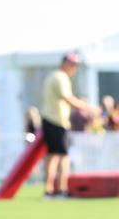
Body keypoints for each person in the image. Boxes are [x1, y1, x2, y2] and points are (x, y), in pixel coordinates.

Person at [39, 53, 97, 198]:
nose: (75, 69)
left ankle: (51, 190)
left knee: (54, 155)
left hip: (52, 120)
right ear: (65, 64)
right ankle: (59, 190)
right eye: (74, 65)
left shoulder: (55, 76)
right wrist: (90, 108)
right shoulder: (60, 77)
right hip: (56, 121)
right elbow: (68, 99)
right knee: (61, 156)